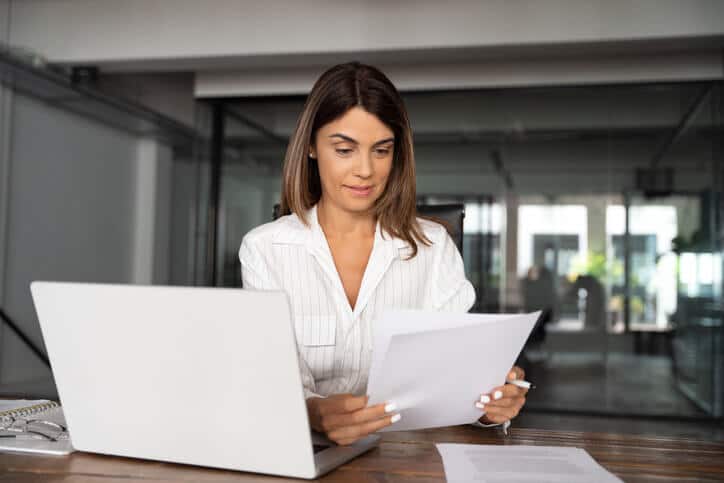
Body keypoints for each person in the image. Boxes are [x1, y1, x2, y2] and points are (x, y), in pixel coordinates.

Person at [239, 62, 527, 446]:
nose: (365, 170)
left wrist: (489, 404)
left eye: (381, 150)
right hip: (303, 454)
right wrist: (314, 413)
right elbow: (271, 381)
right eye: (344, 149)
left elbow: (457, 381)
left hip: (408, 459)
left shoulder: (432, 247)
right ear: (310, 146)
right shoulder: (264, 250)